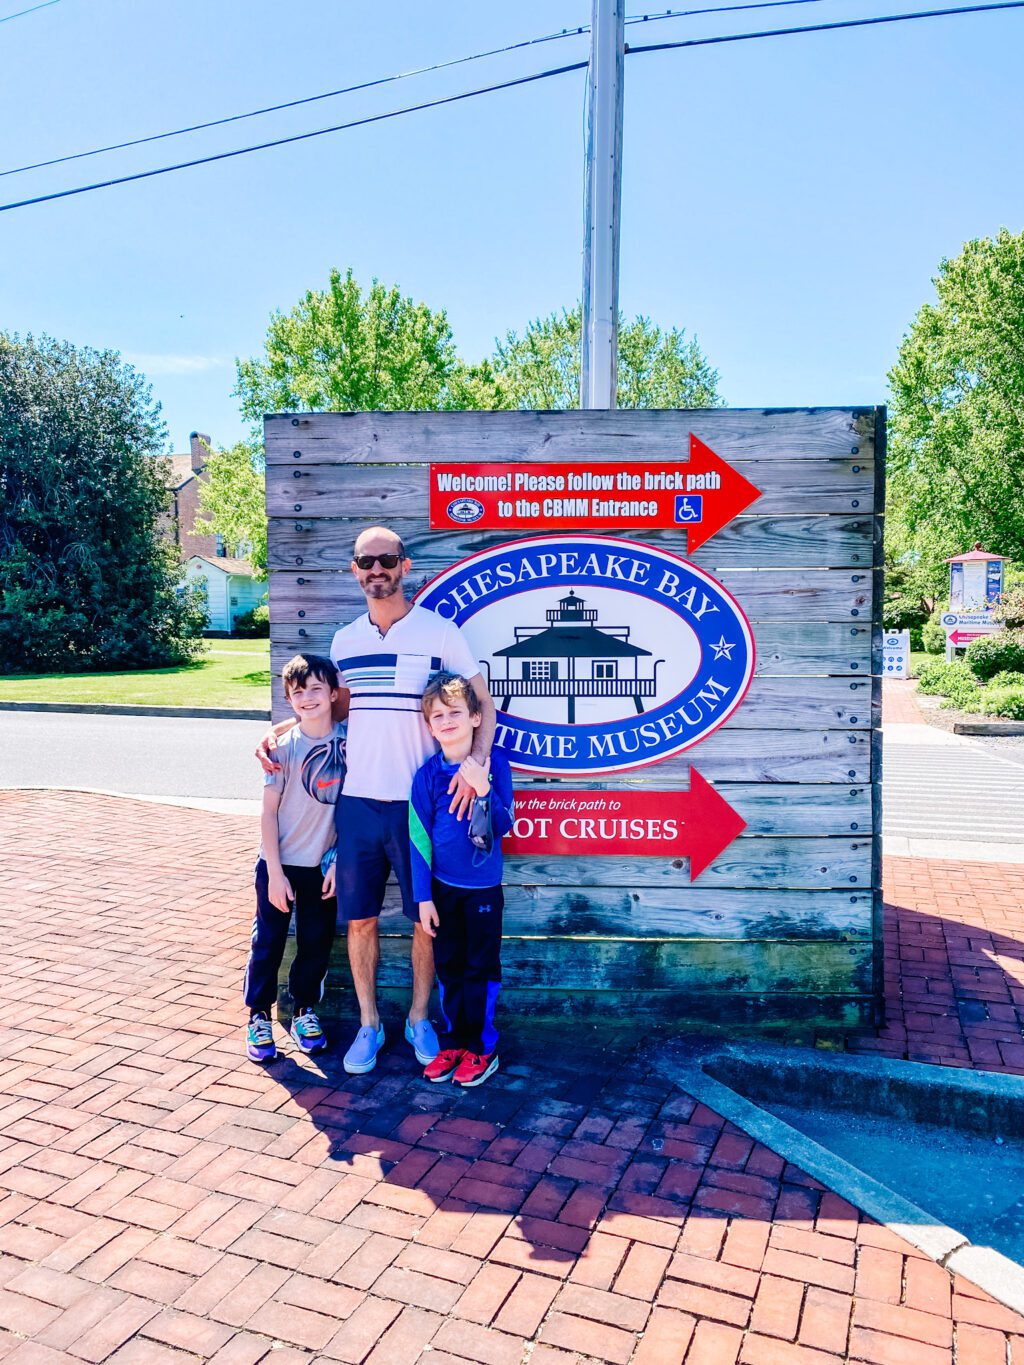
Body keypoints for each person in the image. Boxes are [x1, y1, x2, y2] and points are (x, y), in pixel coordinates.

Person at [257, 526, 496, 1075]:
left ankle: (418, 1019)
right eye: (366, 561)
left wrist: (476, 763)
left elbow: (484, 703)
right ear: (354, 570)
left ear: (404, 566)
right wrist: (279, 732)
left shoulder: (440, 632)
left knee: (423, 922)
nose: (376, 569)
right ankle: (369, 1024)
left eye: (386, 559)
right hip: (358, 805)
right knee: (360, 920)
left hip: (419, 806)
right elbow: (331, 712)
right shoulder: (345, 642)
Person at [410, 672, 514, 1087]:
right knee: (450, 967)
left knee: (480, 968)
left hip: (483, 890)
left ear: (475, 717)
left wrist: (482, 788)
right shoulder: (426, 775)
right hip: (442, 891)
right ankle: (454, 1042)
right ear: (429, 725)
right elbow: (418, 838)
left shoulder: (495, 764)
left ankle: (482, 1049)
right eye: (438, 715)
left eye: (455, 712)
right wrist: (423, 897)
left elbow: (503, 826)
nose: (446, 720)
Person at [245, 654, 346, 1063]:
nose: (308, 698)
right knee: (267, 941)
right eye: (299, 692)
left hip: (323, 867)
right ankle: (258, 1016)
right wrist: (273, 872)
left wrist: (342, 859)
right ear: (289, 698)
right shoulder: (281, 749)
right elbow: (268, 812)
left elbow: (355, 808)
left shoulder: (350, 744)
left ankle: (304, 1009)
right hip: (279, 864)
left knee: (315, 943)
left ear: (334, 694)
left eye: (317, 689)